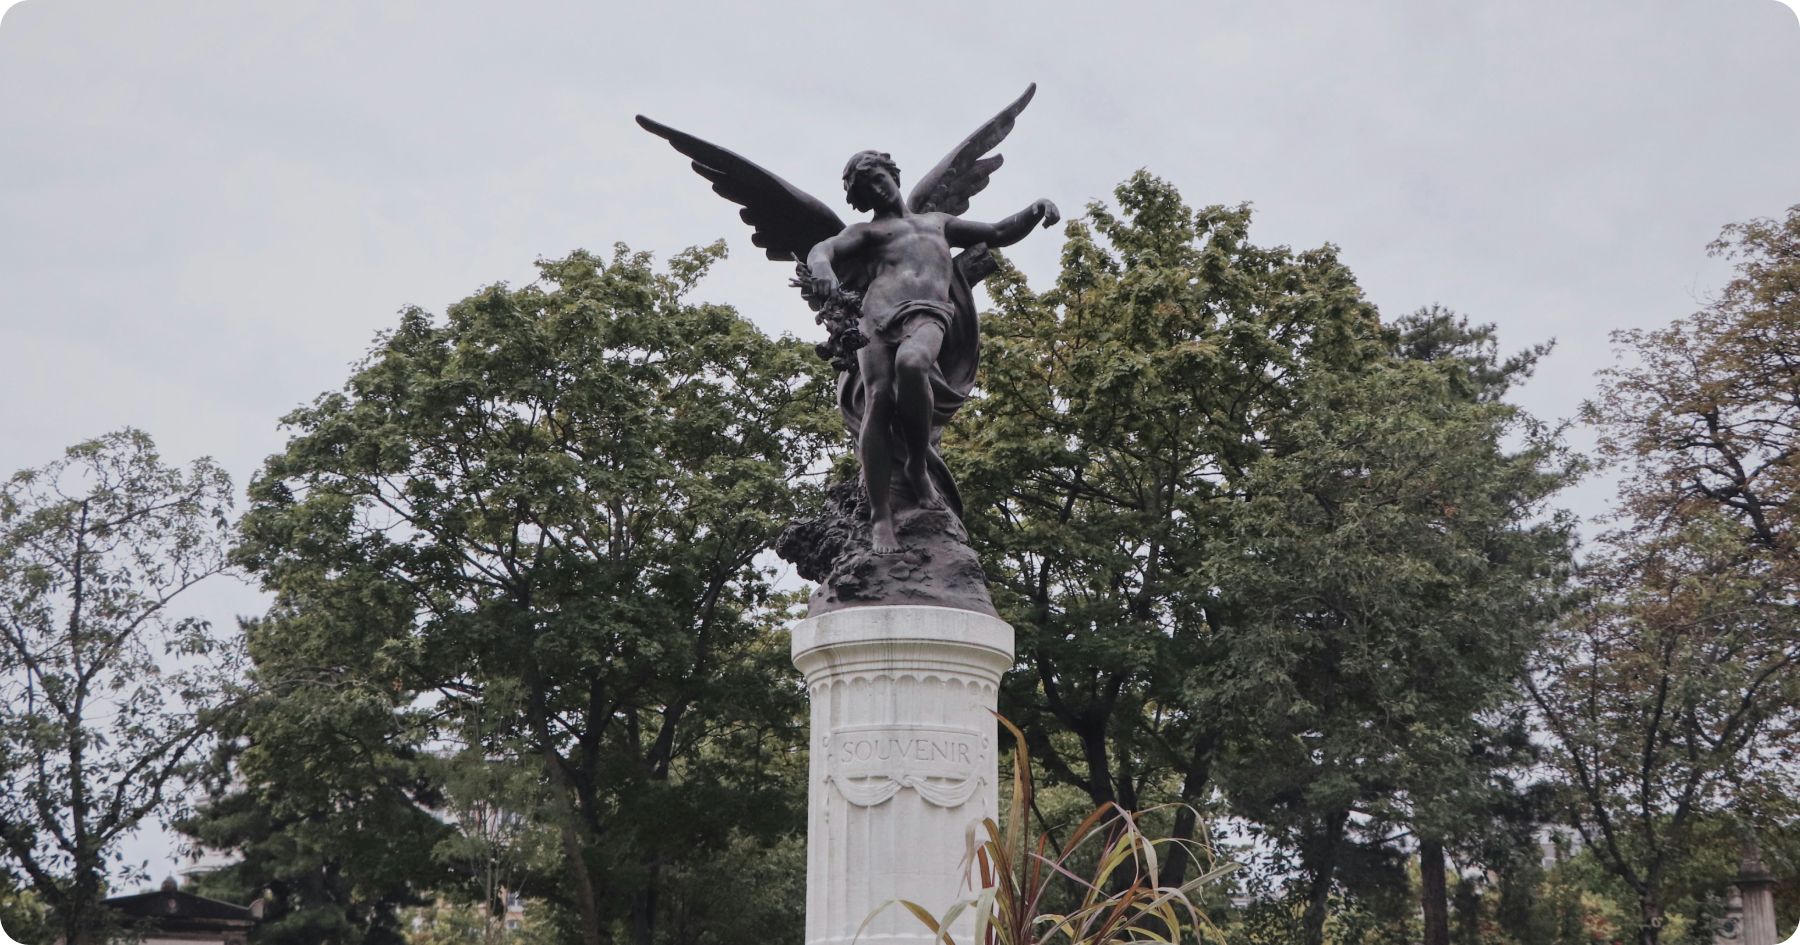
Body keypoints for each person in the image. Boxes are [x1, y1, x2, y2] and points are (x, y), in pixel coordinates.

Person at [805, 150, 1059, 553]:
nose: (877, 187)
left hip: (928, 312)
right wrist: (821, 269)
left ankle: (918, 465)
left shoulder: (937, 223)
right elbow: (823, 249)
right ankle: (881, 517)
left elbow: (996, 232)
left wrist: (1033, 210)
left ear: (893, 175)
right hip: (876, 316)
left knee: (913, 362)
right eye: (866, 185)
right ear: (862, 196)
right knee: (879, 398)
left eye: (879, 177)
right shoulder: (867, 232)